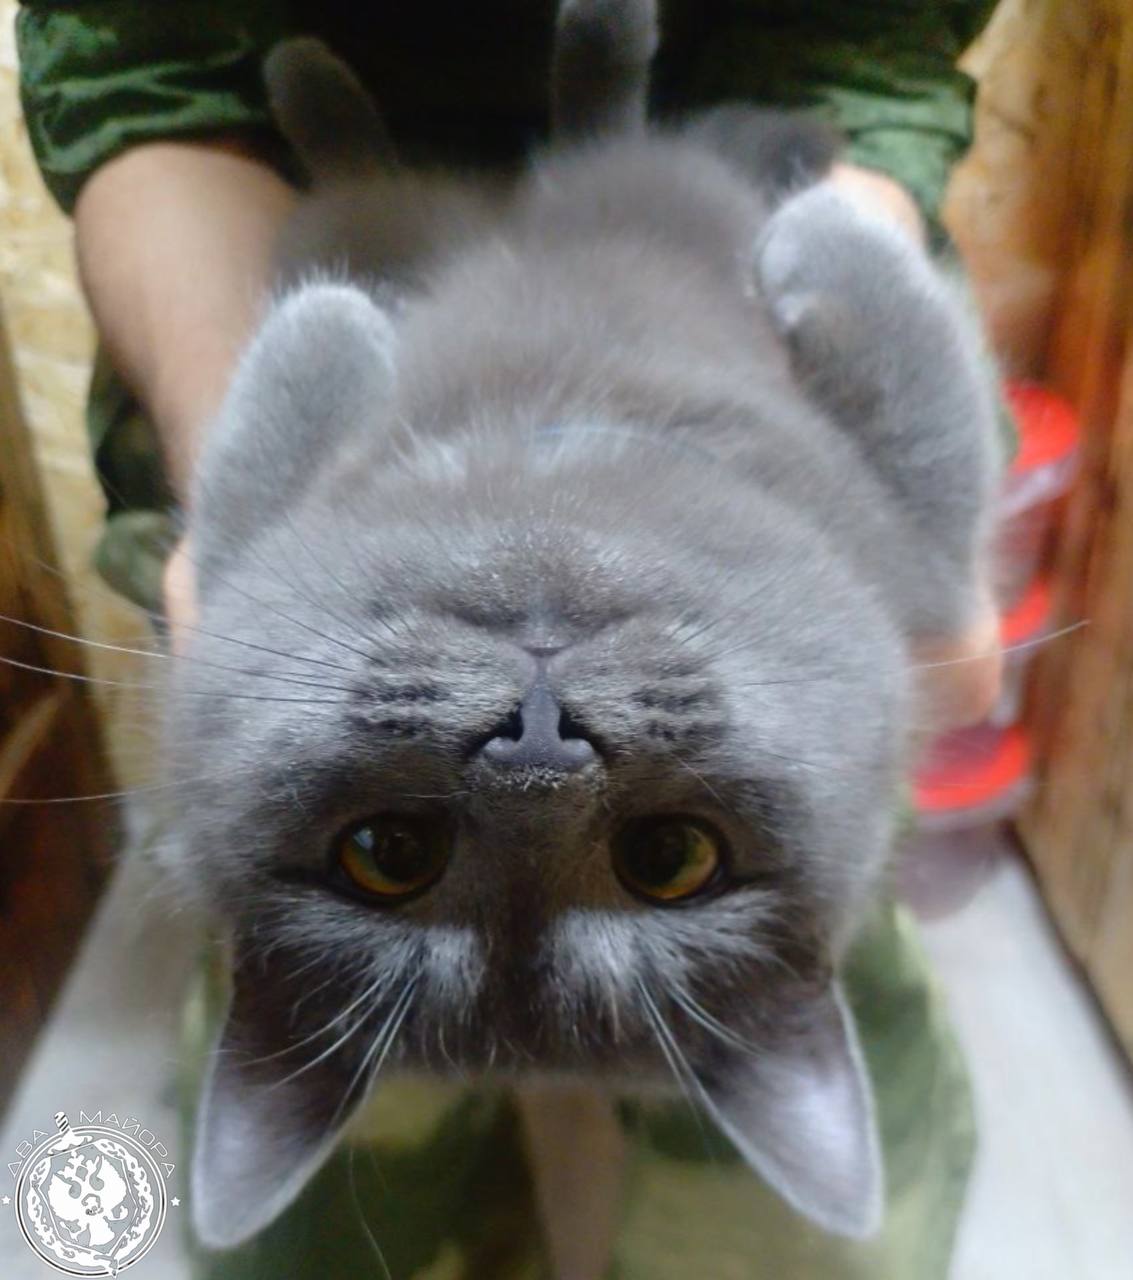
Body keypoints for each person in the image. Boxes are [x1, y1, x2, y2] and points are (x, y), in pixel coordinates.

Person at [16, 5, 1002, 1277]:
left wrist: (264, 513)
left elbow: (156, 101)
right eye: (664, 852)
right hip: (683, 253)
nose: (540, 766)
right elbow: (138, 82)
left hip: (370, 317)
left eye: (392, 850)